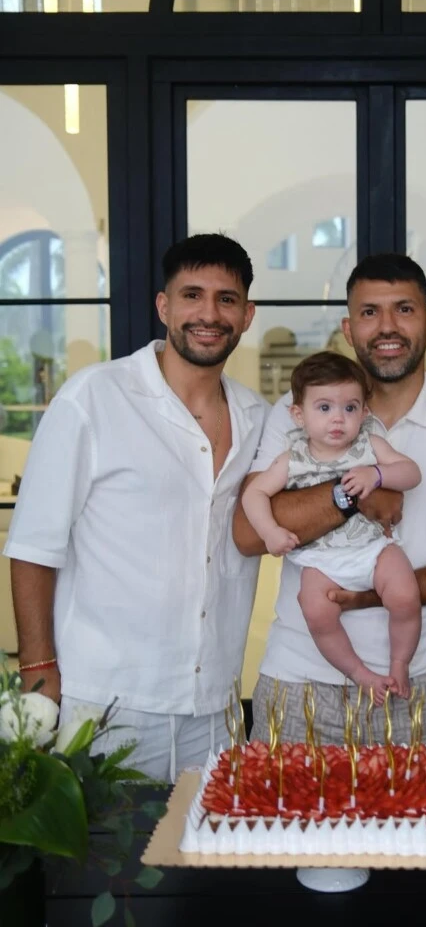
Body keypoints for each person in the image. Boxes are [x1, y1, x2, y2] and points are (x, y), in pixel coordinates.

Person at [4, 233, 269, 782]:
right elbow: (33, 548)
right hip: (104, 704)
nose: (209, 314)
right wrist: (38, 675)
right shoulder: (92, 399)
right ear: (163, 306)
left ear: (246, 315)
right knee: (101, 842)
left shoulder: (258, 418)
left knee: (206, 840)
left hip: (215, 706)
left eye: (226, 299)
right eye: (192, 295)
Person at [234, 253, 426, 750]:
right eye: (369, 312)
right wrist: (348, 497)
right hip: (299, 682)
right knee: (283, 808)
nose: (387, 326)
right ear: (348, 328)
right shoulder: (298, 413)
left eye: (404, 309)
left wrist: (375, 594)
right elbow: (245, 532)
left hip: (422, 684)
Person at [242, 350, 422, 701]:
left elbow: (412, 473)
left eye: (350, 408)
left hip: (372, 549)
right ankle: (359, 673)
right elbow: (254, 494)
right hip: (321, 561)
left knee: (405, 596)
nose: (338, 418)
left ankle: (400, 664)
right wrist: (270, 532)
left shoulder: (369, 446)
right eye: (324, 408)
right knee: (316, 611)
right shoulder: (292, 458)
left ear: (364, 413)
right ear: (299, 415)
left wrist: (378, 474)